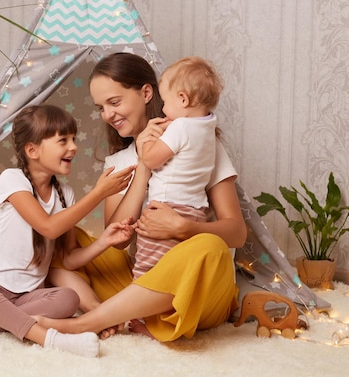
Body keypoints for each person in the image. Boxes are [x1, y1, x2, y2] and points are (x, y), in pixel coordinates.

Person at [44, 52, 246, 342]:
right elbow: (119, 241)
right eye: (101, 107)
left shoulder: (200, 143)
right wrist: (142, 164)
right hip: (142, 279)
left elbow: (237, 233)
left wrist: (184, 228)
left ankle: (88, 322)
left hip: (196, 294)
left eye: (114, 102)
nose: (107, 115)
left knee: (210, 246)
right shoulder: (117, 162)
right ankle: (106, 315)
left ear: (146, 93)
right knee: (61, 240)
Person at [0, 104, 136, 358]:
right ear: (32, 150)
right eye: (63, 140)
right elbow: (48, 228)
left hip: (27, 297)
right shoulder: (12, 179)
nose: (73, 147)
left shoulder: (66, 194)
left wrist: (104, 241)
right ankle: (49, 338)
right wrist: (99, 193)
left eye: (73, 139)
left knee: (68, 298)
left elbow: (69, 258)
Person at [131, 56, 223, 279]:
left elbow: (152, 160)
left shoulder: (180, 126)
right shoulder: (208, 126)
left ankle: (137, 312)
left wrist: (143, 143)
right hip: (195, 210)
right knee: (176, 270)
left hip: (167, 207)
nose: (162, 109)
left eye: (164, 102)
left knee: (147, 266)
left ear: (182, 99)